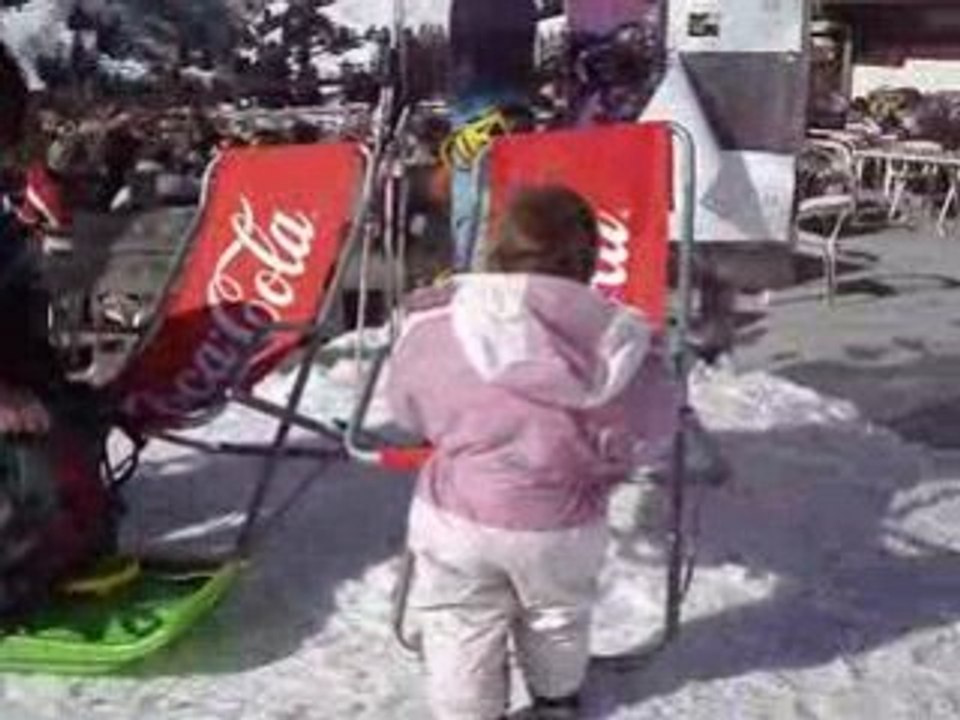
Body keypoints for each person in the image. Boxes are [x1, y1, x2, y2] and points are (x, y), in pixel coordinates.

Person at [387, 185, 679, 720]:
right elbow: (653, 428)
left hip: (457, 511)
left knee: (457, 620)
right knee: (558, 615)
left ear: (497, 249)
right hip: (563, 520)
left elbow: (406, 411)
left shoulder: (439, 322)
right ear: (590, 260)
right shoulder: (621, 340)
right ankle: (554, 701)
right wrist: (609, 462)